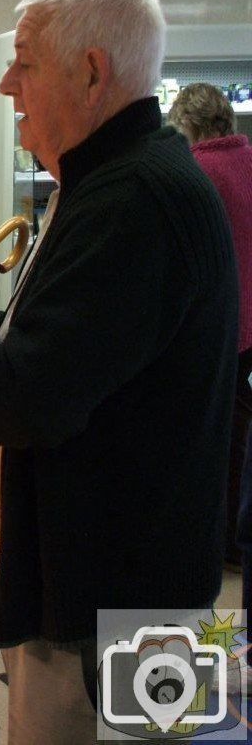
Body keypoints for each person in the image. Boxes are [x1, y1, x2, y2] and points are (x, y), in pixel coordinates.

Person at [0, 0, 237, 743]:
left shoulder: (133, 197)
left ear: (90, 70)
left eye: (24, 63)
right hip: (131, 588)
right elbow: (77, 349)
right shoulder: (115, 179)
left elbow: (32, 396)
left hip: (113, 607)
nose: (8, 82)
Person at [167, 83, 252, 576]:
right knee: (244, 432)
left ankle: (228, 542)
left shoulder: (195, 173)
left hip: (220, 325)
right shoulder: (247, 162)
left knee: (220, 439)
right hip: (251, 323)